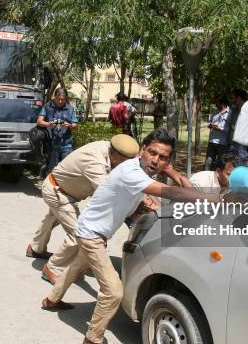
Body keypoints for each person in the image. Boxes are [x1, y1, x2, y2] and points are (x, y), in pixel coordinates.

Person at [41, 129, 220, 344]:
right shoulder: (132, 172)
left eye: (162, 157)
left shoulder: (141, 173)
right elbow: (168, 191)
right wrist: (211, 199)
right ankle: (93, 338)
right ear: (142, 151)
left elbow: (132, 204)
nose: (155, 160)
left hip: (94, 230)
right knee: (114, 292)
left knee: (77, 267)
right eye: (152, 153)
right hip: (91, 234)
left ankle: (51, 300)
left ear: (168, 161)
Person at [28, 134, 140, 284]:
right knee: (78, 235)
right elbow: (108, 195)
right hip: (58, 192)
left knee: (52, 218)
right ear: (114, 153)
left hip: (65, 188)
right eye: (124, 162)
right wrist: (131, 212)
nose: (125, 166)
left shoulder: (109, 147)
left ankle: (35, 247)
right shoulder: (95, 162)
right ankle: (53, 269)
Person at [37, 87, 78, 173]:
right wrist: (49, 124)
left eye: (62, 99)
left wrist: (69, 125)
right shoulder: (47, 107)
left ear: (65, 98)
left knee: (67, 170)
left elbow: (75, 125)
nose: (60, 101)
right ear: (54, 97)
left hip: (66, 145)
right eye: (58, 99)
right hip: (51, 144)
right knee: (52, 170)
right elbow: (39, 122)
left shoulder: (70, 108)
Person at [205, 95, 231, 170]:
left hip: (222, 143)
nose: (215, 104)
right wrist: (210, 125)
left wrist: (221, 129)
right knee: (208, 163)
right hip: (212, 141)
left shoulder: (230, 113)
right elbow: (210, 123)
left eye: (217, 102)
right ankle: (207, 179)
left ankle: (220, 180)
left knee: (221, 164)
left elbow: (230, 128)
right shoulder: (215, 112)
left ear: (222, 103)